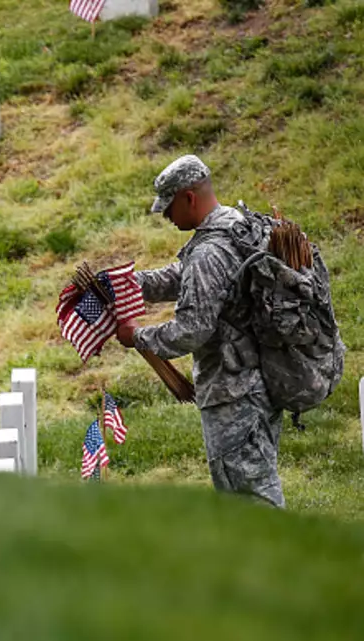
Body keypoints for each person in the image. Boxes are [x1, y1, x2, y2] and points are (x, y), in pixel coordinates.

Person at [114, 154, 285, 508]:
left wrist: (138, 337)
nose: (166, 217)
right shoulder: (236, 226)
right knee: (253, 487)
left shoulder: (209, 251)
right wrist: (132, 284)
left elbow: (191, 331)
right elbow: (186, 277)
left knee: (249, 496)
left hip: (233, 393)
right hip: (258, 383)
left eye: (169, 208)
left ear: (189, 197)